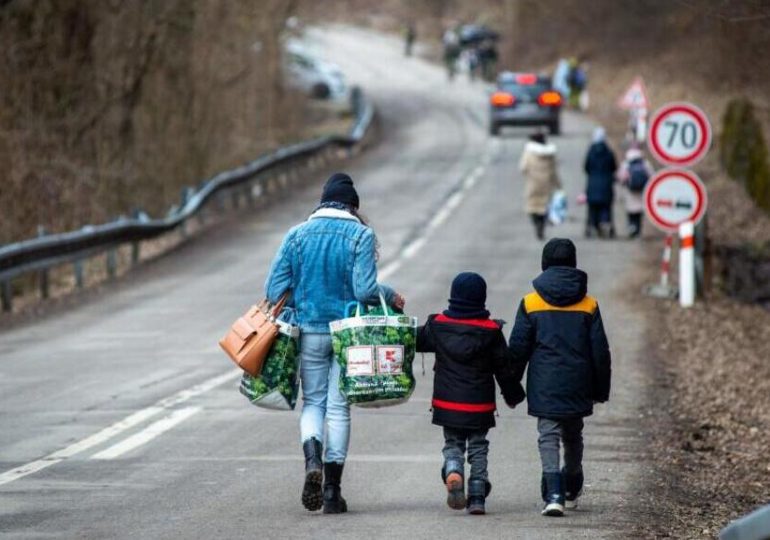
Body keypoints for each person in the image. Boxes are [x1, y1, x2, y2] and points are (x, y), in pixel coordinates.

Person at [265, 172, 406, 514]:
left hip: (309, 331)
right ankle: (332, 492)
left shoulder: (296, 235)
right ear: (353, 206)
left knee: (313, 403)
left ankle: (311, 460)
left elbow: (273, 291)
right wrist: (390, 295)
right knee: (339, 408)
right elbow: (365, 292)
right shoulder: (360, 234)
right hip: (349, 335)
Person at [508, 239, 611, 517]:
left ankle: (553, 492)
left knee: (548, 435)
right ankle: (572, 482)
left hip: (545, 382)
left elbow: (518, 349)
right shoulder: (589, 304)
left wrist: (511, 385)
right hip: (579, 381)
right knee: (573, 433)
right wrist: (600, 389)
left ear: (544, 264)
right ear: (574, 263)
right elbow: (600, 352)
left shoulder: (530, 302)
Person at [417, 272, 524, 515]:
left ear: (453, 297)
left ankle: (454, 469)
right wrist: (514, 395)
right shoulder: (491, 331)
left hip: (447, 404)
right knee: (478, 446)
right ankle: (477, 496)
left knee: (453, 443)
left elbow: (413, 340)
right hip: (479, 406)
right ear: (482, 299)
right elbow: (504, 370)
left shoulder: (438, 326)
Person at [520, 132, 562, 240]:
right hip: (547, 185)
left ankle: (536, 224)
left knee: (533, 207)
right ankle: (541, 226)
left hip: (533, 184)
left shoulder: (529, 153)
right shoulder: (550, 154)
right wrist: (559, 185)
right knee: (545, 207)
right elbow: (554, 171)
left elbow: (523, 168)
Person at [583, 127, 617, 238]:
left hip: (592, 184)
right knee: (606, 207)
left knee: (592, 208)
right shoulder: (609, 152)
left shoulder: (591, 152)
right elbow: (614, 167)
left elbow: (586, 167)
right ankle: (605, 223)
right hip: (606, 185)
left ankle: (592, 225)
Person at [616, 147, 653, 238]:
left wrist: (622, 184)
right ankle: (638, 230)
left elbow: (621, 177)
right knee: (639, 212)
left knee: (631, 211)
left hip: (630, 192)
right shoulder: (645, 164)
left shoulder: (626, 164)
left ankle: (632, 227)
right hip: (642, 192)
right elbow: (652, 176)